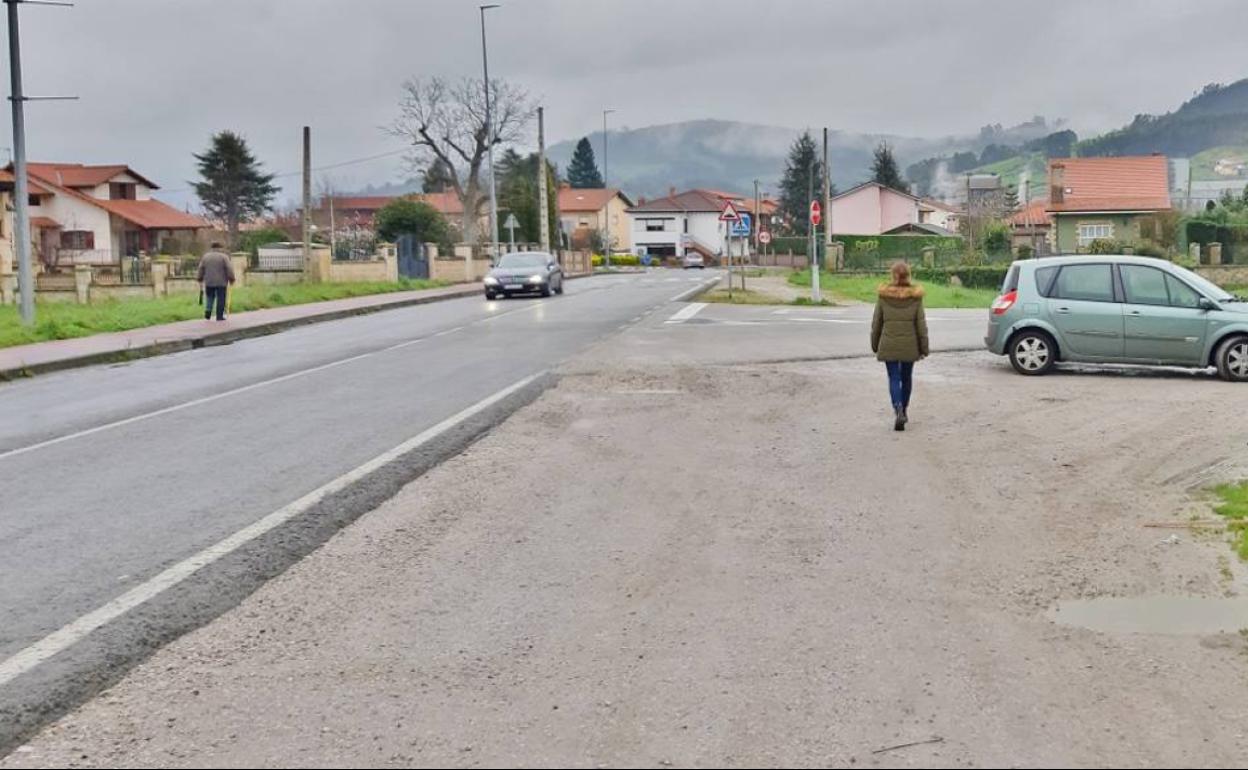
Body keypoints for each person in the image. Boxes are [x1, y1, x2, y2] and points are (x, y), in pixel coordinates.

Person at [870, 261, 929, 431]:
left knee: (894, 378)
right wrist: (924, 348)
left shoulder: (884, 296)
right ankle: (904, 408)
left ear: (893, 276)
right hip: (910, 346)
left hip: (888, 344)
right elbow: (921, 326)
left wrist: (875, 345)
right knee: (907, 377)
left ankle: (898, 408)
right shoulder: (915, 297)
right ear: (908, 276)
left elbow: (876, 324)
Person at [196, 243, 235, 321]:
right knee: (221, 298)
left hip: (209, 281)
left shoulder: (205, 257)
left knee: (209, 297)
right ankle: (219, 316)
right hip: (221, 282)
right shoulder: (224, 257)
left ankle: (208, 313)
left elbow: (201, 268)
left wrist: (200, 278)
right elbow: (229, 268)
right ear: (220, 248)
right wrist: (231, 278)